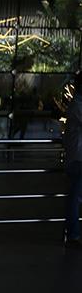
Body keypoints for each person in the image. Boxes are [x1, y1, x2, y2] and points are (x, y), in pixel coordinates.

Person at [63, 71, 82, 248]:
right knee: (75, 198)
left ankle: (74, 232)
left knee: (75, 197)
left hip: (76, 157)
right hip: (78, 158)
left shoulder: (76, 104)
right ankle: (74, 232)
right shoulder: (78, 105)